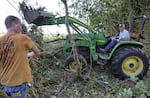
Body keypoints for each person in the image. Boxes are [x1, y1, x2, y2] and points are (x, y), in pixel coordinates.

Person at [0, 15, 40, 98]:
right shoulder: (22, 38)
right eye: (20, 24)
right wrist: (28, 55)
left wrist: (22, 56)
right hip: (17, 83)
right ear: (15, 24)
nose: (21, 27)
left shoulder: (1, 40)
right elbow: (37, 52)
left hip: (5, 83)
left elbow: (8, 55)